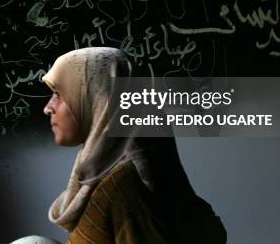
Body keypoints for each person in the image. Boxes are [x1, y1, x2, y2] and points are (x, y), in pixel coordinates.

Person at [41, 47, 227, 243]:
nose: (48, 108)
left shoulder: (124, 188)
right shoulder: (113, 171)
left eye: (59, 94)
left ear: (97, 97)